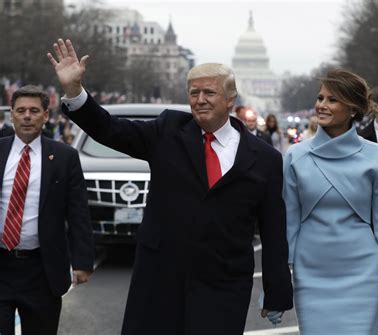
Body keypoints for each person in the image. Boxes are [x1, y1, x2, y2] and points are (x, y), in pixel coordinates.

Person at [48, 38, 293, 335]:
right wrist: (75, 91)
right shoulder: (167, 131)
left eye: (209, 92)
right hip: (160, 278)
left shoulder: (265, 158)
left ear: (231, 99)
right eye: (194, 92)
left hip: (224, 284)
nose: (200, 99)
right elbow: (110, 129)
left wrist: (277, 289)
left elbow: (273, 228)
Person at [283, 69, 378, 334]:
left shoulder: (376, 156)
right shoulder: (295, 156)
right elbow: (287, 223)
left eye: (332, 99)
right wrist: (278, 282)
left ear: (352, 109)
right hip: (310, 273)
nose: (321, 105)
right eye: (320, 98)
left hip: (361, 274)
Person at [0, 85, 94, 335]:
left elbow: (78, 213)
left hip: (42, 271)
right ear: (12, 115)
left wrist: (82, 261)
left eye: (33, 110)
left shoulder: (65, 157)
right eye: (20, 110)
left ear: (45, 115)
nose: (27, 116)